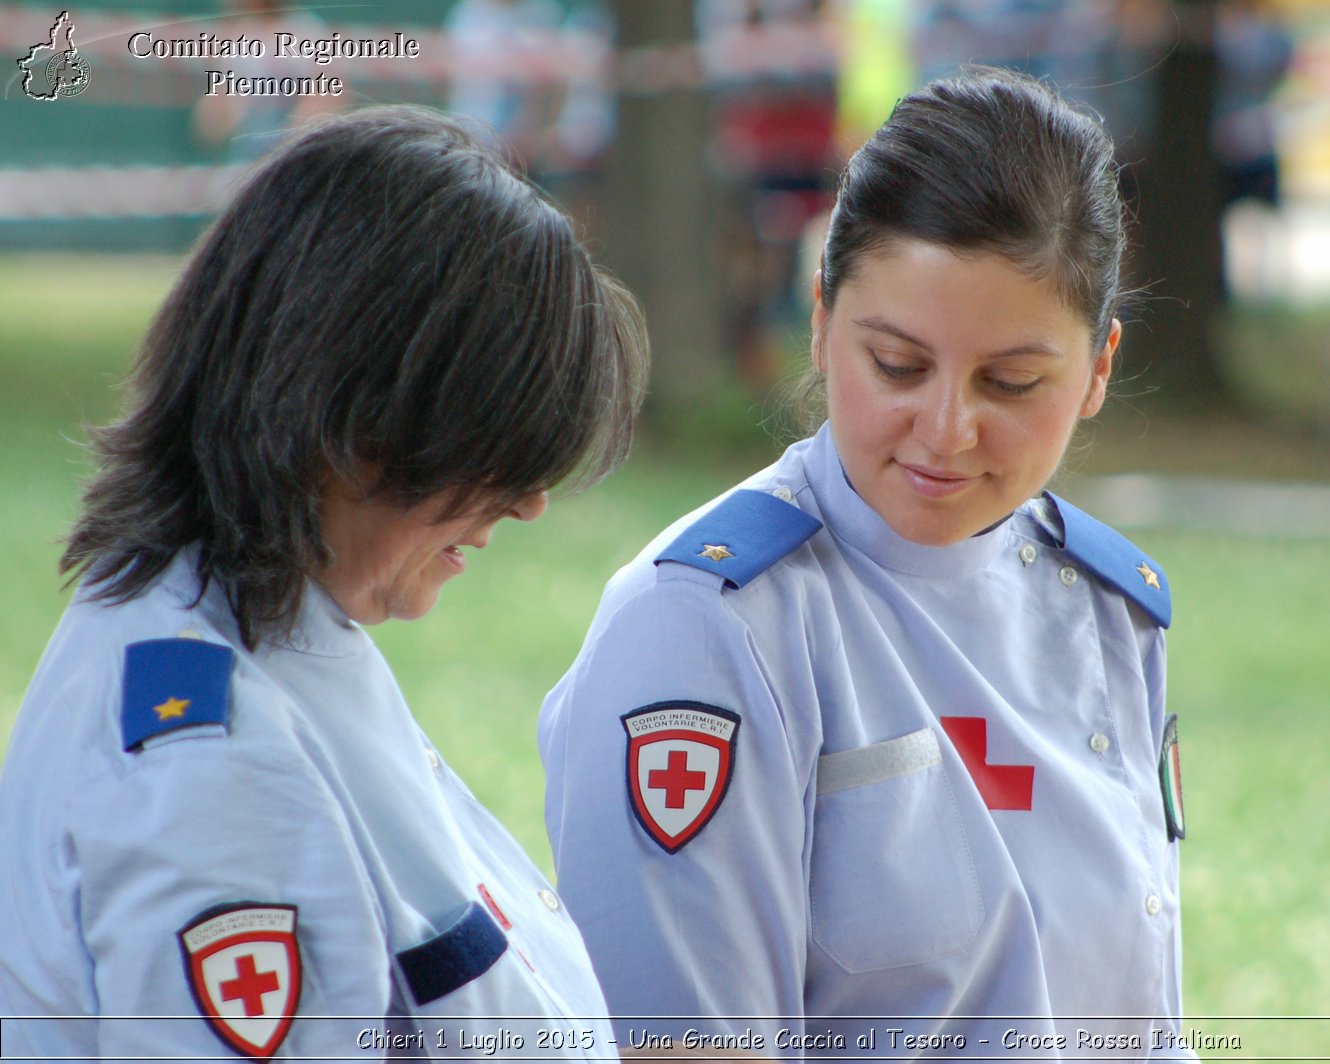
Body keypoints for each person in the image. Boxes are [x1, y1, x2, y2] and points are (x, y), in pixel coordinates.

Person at [540, 69, 1192, 1060]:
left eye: (1011, 381)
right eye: (896, 363)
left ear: (1098, 367)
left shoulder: (1109, 610)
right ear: (819, 317)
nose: (944, 429)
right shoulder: (708, 626)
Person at [0, 106, 646, 1060]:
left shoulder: (257, 633)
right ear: (356, 423)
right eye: (500, 455)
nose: (528, 506)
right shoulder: (212, 772)